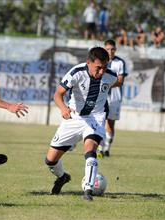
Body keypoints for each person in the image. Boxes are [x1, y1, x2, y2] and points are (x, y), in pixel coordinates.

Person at [44, 47, 117, 201]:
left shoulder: (111, 76)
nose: (102, 72)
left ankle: (88, 191)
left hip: (96, 118)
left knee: (90, 150)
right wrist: (63, 108)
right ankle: (62, 177)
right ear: (88, 63)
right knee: (50, 160)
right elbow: (58, 94)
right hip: (74, 117)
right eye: (98, 68)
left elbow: (115, 83)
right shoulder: (76, 73)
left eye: (105, 67)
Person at [100, 39, 128, 157]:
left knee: (110, 124)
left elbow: (120, 81)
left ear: (115, 50)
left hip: (115, 97)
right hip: (101, 96)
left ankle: (107, 148)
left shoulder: (120, 63)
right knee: (99, 121)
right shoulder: (100, 61)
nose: (110, 51)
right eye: (107, 49)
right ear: (104, 49)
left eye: (112, 49)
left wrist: (106, 84)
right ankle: (100, 149)